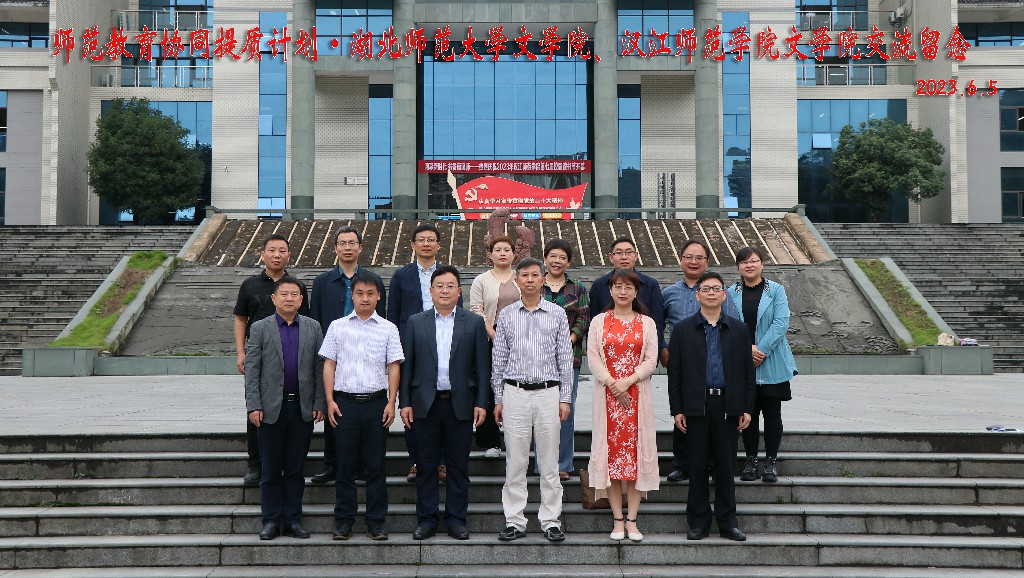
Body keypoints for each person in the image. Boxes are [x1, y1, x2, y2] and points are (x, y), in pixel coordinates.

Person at [399, 265, 490, 541]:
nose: (445, 291)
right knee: (425, 465)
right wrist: (405, 402)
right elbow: (407, 366)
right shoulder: (416, 322)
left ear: (459, 291)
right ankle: (426, 520)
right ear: (431, 291)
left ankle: (456, 520)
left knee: (458, 466)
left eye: (450, 286)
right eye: (439, 286)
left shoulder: (472, 322)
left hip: (459, 404)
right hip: (424, 404)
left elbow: (482, 367)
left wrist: (481, 402)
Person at [667, 271, 755, 542]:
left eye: (716, 289)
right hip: (696, 406)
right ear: (698, 295)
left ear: (724, 295)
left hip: (728, 405)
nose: (711, 293)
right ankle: (698, 522)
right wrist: (677, 409)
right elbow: (675, 374)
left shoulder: (738, 329)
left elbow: (747, 373)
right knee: (697, 466)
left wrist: (747, 407)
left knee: (726, 468)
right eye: (706, 289)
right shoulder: (683, 330)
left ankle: (728, 523)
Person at [491, 257, 573, 543]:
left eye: (534, 275)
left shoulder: (557, 314)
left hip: (548, 393)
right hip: (514, 393)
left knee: (549, 462)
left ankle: (551, 520)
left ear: (543, 279)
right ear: (516, 280)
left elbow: (565, 359)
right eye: (524, 275)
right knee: (515, 461)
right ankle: (515, 520)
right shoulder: (506, 315)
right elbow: (499, 360)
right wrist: (498, 398)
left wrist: (565, 398)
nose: (529, 280)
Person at [320, 272, 404, 541]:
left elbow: (394, 366)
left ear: (378, 296)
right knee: (344, 465)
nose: (365, 298)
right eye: (359, 293)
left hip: (376, 404)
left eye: (370, 293)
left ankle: (376, 521)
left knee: (375, 466)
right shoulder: (337, 327)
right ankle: (344, 520)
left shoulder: (388, 328)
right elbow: (329, 364)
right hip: (344, 404)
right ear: (352, 296)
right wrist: (330, 400)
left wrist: (391, 401)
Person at [244, 276, 325, 540]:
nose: (289, 299)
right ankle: (270, 521)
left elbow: (319, 369)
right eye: (284, 294)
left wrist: (319, 403)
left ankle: (292, 520)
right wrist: (253, 405)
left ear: (301, 300)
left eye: (294, 295)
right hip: (269, 410)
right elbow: (252, 370)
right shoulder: (260, 328)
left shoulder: (313, 327)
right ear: (274, 298)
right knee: (270, 470)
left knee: (295, 469)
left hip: (301, 409)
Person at [308, 226, 386, 486]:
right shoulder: (322, 282)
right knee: (334, 407)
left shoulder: (372, 280)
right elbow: (315, 317)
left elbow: (382, 316)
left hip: (365, 351)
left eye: (352, 243)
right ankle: (333, 464)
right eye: (342, 243)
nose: (347, 247)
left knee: (362, 413)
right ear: (335, 248)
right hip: (333, 351)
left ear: (360, 247)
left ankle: (362, 465)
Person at [586, 269, 660, 543]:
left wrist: (626, 382)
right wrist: (613, 384)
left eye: (628, 287)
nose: (623, 291)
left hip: (637, 397)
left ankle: (632, 520)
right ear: (610, 290)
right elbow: (593, 358)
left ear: (636, 292)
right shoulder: (598, 321)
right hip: (607, 400)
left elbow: (650, 360)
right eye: (618, 286)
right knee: (612, 459)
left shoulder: (647, 323)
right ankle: (618, 519)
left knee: (636, 458)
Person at [233, 234, 310, 486]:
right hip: (259, 356)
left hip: (289, 355)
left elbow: (305, 323)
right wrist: (241, 352)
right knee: (255, 408)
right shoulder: (250, 285)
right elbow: (240, 318)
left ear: (289, 255)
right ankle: (255, 464)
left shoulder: (296, 287)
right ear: (263, 254)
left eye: (282, 251)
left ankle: (288, 463)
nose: (277, 255)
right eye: (272, 250)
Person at [388, 223, 461, 483]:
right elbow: (393, 315)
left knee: (442, 408)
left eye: (431, 239)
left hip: (444, 346)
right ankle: (416, 461)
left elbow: (459, 312)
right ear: (413, 245)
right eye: (421, 239)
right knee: (413, 406)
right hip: (412, 348)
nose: (426, 243)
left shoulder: (447, 275)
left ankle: (442, 463)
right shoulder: (401, 276)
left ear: (439, 245)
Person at [661, 239, 738, 483]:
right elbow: (656, 323)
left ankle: (715, 466)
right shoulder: (669, 293)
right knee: (683, 411)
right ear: (681, 260)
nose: (694, 262)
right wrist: (663, 347)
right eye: (689, 257)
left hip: (715, 359)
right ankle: (682, 464)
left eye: (699, 258)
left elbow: (734, 324)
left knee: (714, 416)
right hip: (684, 361)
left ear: (707, 261)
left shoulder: (720, 292)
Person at [726, 247, 798, 484]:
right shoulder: (731, 292)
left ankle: (770, 461)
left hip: (772, 361)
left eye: (754, 261)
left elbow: (781, 322)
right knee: (748, 413)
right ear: (738, 266)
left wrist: (761, 350)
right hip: (743, 361)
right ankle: (750, 460)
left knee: (772, 413)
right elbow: (728, 324)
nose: (749, 265)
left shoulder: (776, 290)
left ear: (762, 264)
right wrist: (748, 349)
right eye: (744, 262)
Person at [541, 238, 590, 481]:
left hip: (569, 358)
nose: (557, 261)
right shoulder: (536, 284)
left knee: (565, 410)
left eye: (562, 257)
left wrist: (568, 340)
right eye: (553, 256)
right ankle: (543, 464)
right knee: (541, 412)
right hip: (537, 360)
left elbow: (584, 318)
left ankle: (563, 463)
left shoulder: (577, 288)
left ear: (568, 262)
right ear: (545, 259)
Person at [469, 235, 519, 459]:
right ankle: (491, 442)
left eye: (507, 249)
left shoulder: (521, 277)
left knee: (515, 388)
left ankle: (516, 441)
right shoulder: (481, 280)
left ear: (513, 254)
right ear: (490, 254)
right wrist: (493, 334)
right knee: (489, 387)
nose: (502, 253)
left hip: (519, 341)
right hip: (488, 340)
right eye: (498, 249)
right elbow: (476, 309)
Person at [588, 237, 666, 364]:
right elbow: (593, 321)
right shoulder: (599, 285)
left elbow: (658, 321)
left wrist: (655, 351)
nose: (624, 257)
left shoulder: (651, 285)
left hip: (641, 354)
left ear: (636, 256)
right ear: (611, 257)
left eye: (629, 252)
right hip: (607, 355)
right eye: (619, 253)